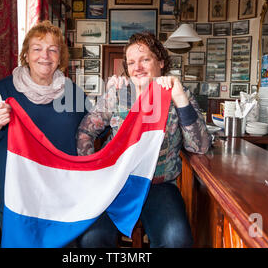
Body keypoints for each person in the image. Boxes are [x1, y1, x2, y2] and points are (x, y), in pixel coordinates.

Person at [75, 32, 210, 248]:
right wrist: (93, 172)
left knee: (177, 242)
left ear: (161, 62)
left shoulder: (177, 94)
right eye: (131, 62)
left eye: (145, 59)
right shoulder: (117, 94)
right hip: (115, 184)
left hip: (159, 185)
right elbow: (85, 131)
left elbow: (200, 146)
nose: (137, 67)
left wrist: (180, 98)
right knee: (92, 240)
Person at [0, 21, 89, 231]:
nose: (45, 55)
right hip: (15, 197)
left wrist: (119, 101)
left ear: (60, 57)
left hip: (60, 196)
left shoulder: (73, 93)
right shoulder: (2, 90)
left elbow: (97, 127)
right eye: (37, 49)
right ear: (25, 55)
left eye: (53, 50)